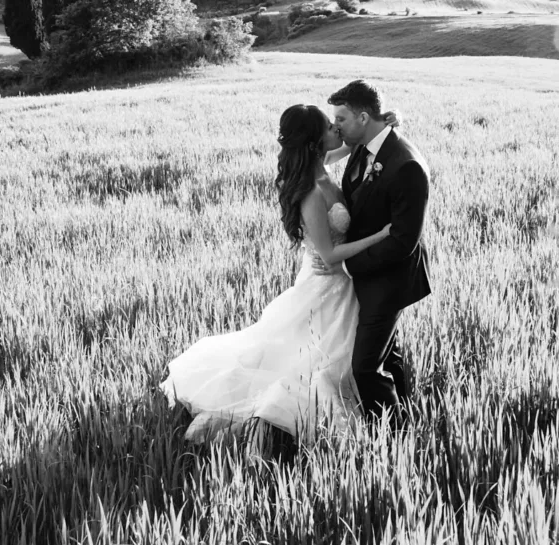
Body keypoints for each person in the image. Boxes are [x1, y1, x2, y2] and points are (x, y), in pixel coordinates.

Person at [161, 104, 399, 443]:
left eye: (337, 124)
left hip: (345, 283)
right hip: (328, 282)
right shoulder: (312, 192)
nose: (338, 130)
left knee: (340, 355)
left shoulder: (321, 166)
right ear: (317, 141)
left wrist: (383, 124)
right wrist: (381, 236)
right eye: (331, 127)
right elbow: (329, 256)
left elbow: (353, 144)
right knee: (317, 361)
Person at [329, 79, 431, 423]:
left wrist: (350, 266)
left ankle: (394, 437)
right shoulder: (362, 145)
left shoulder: (406, 165)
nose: (336, 126)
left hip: (388, 280)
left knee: (365, 368)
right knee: (388, 354)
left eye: (341, 119)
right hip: (367, 273)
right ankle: (408, 415)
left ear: (361, 117)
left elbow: (404, 241)